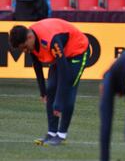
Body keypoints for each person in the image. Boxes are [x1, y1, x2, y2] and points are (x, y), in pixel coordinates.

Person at [9, 18, 89, 146]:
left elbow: (64, 72)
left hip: (77, 52)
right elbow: (37, 66)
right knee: (50, 88)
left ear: (30, 37)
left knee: (68, 89)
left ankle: (61, 135)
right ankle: (52, 133)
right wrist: (43, 91)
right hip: (61, 55)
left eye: (24, 47)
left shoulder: (50, 40)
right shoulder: (30, 39)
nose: (24, 51)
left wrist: (58, 102)